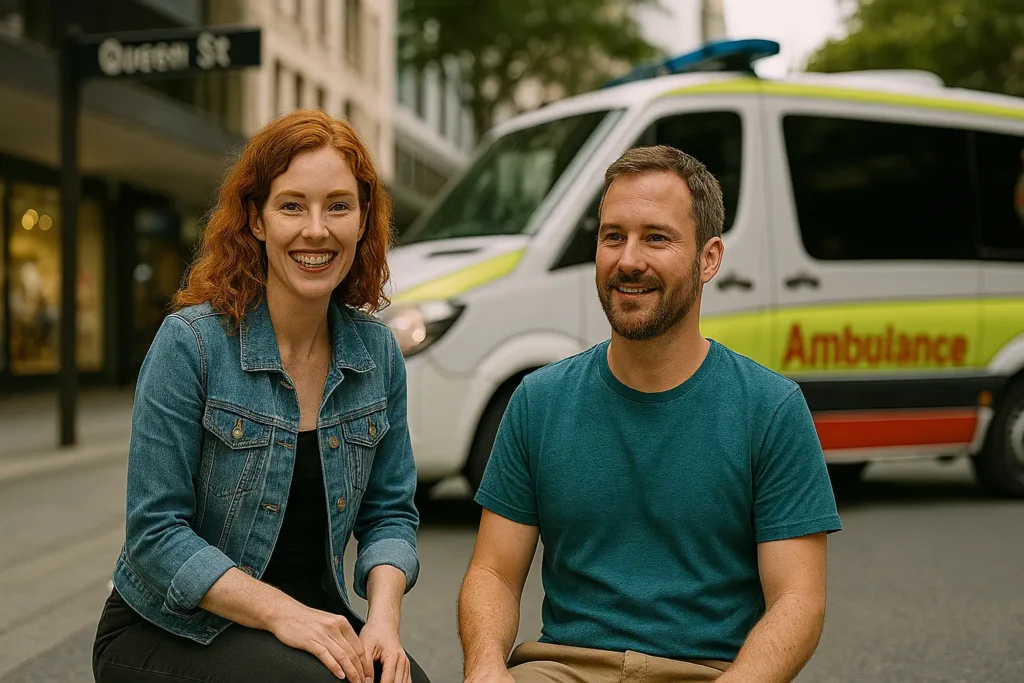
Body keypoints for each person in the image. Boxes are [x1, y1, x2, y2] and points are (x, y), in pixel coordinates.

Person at [457, 145, 842, 683]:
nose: (628, 259)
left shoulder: (771, 409)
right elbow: (493, 573)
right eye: (613, 236)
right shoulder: (538, 401)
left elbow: (798, 601)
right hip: (563, 669)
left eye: (655, 237)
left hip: (706, 673)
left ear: (708, 259)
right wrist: (485, 667)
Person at [93, 110, 430, 683]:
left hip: (308, 625)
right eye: (292, 205)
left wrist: (383, 623)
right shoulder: (191, 345)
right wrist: (286, 615)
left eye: (338, 206)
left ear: (363, 219)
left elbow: (389, 514)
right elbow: (155, 534)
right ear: (256, 219)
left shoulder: (376, 353)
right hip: (169, 630)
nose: (316, 230)